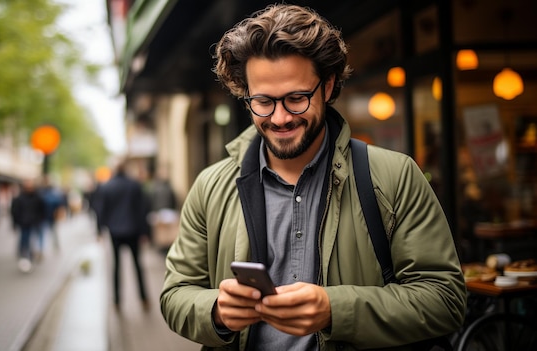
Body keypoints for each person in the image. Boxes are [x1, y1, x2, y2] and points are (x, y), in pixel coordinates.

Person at [160, 4, 466, 350]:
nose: (279, 118)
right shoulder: (210, 186)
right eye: (262, 101)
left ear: (328, 85)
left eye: (296, 98)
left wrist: (336, 310)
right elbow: (175, 294)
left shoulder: (396, 176)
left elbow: (446, 299)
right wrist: (215, 311)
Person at [96, 159, 151, 312]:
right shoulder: (134, 185)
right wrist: (145, 232)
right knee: (138, 266)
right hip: (133, 230)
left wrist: (99, 230)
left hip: (115, 232)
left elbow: (100, 209)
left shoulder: (107, 187)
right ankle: (144, 298)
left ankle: (117, 301)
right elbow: (142, 210)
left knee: (116, 266)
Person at [10, 178, 45, 273]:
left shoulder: (37, 197)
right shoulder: (19, 198)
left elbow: (41, 209)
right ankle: (23, 256)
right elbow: (14, 211)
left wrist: (39, 220)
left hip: (34, 223)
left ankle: (29, 257)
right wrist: (14, 223)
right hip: (23, 223)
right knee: (24, 240)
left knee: (32, 241)